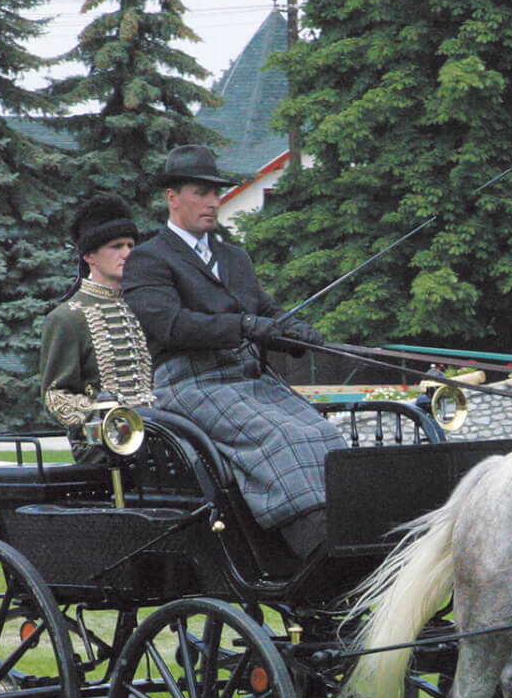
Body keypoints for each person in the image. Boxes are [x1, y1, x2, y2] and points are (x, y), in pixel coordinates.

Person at [122, 144, 344, 560]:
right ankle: (314, 546)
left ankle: (344, 534)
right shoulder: (149, 259)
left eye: (216, 193)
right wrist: (241, 326)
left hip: (247, 380)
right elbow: (168, 324)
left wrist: (294, 332)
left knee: (323, 433)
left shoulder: (233, 257)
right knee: (281, 437)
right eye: (201, 193)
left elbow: (266, 310)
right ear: (173, 197)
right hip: (189, 382)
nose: (212, 202)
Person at [41, 193, 156, 463]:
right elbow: (56, 395)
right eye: (116, 246)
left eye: (130, 245)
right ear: (90, 255)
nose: (127, 253)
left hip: (158, 433)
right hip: (103, 445)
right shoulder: (67, 317)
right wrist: (106, 414)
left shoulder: (146, 306)